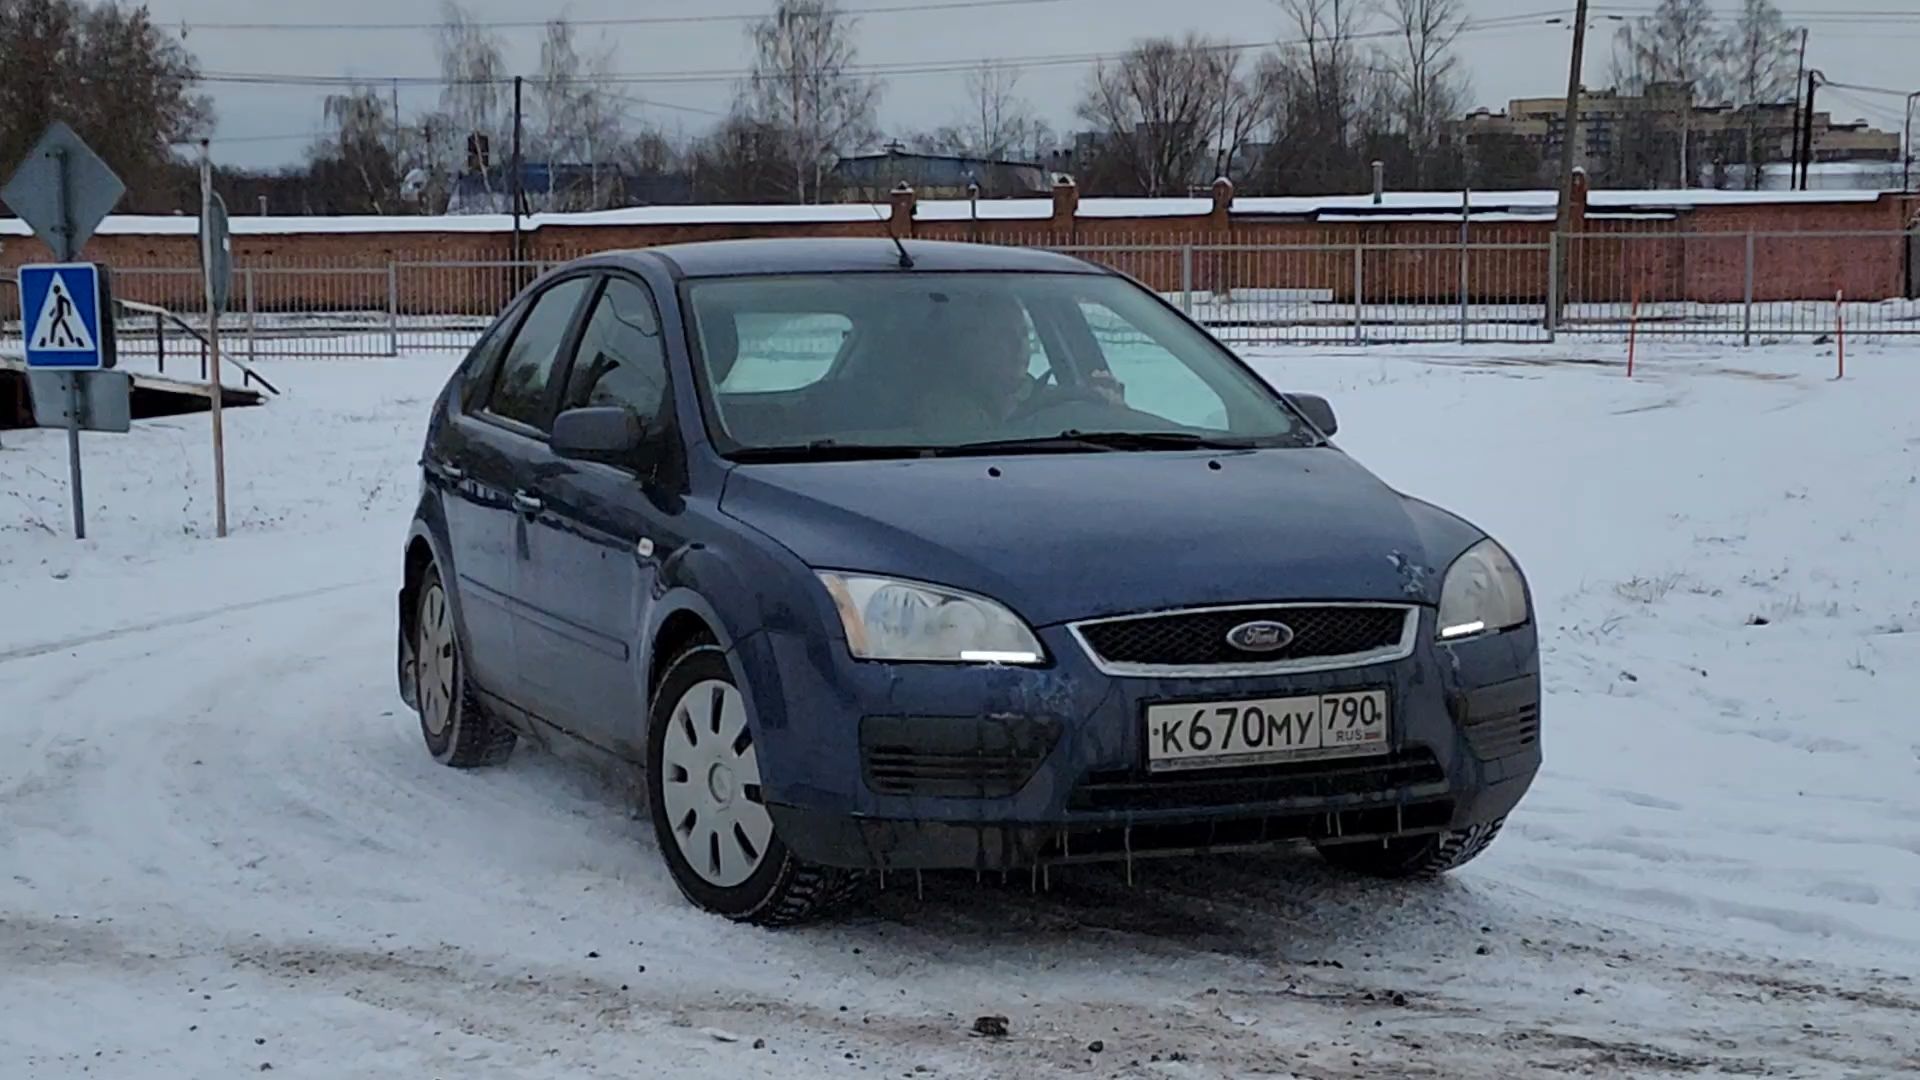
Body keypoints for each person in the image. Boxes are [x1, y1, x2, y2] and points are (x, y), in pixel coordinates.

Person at [914, 292, 1124, 440]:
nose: (1018, 346)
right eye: (1002, 336)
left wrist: (1112, 411)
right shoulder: (942, 411)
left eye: (1024, 335)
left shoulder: (1053, 399)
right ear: (970, 343)